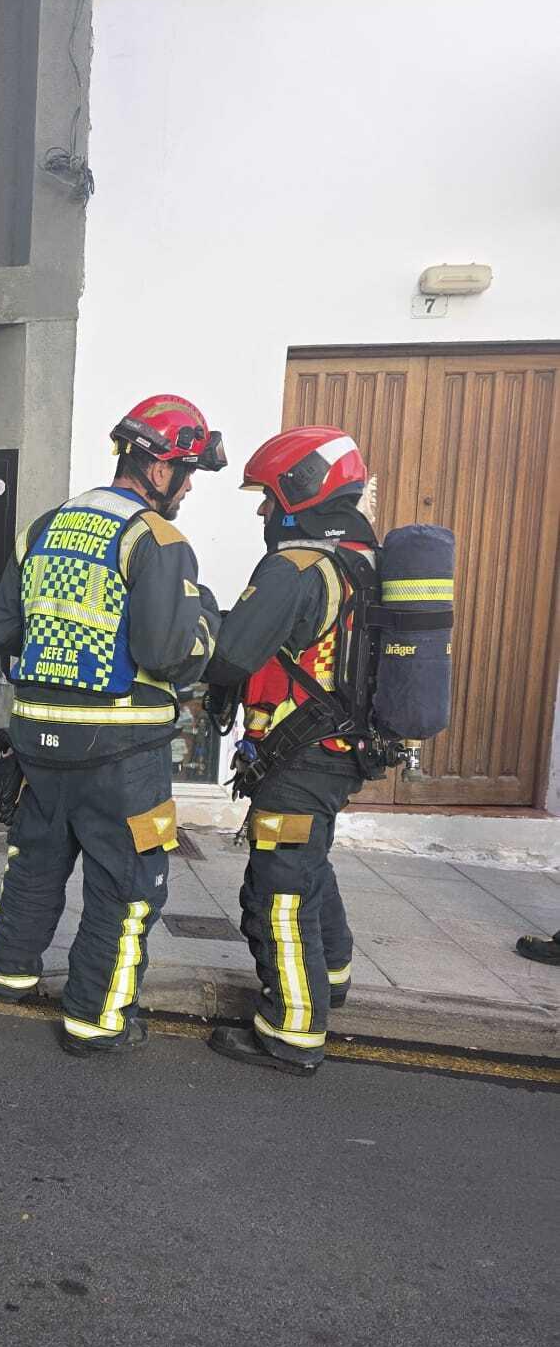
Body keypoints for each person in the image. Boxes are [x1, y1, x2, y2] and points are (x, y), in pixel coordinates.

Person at [0, 395, 223, 1056]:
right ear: (157, 468)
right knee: (125, 881)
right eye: (188, 471)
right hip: (123, 750)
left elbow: (0, 632)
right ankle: (96, 1017)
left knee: (35, 859)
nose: (190, 486)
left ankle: (9, 972)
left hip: (36, 741)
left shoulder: (44, 527)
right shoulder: (158, 540)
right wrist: (206, 624)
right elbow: (166, 652)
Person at [203, 427, 380, 1076]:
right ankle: (330, 976)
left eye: (267, 496)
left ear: (299, 493)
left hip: (295, 764)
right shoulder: (363, 559)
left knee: (278, 889)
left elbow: (230, 654)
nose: (261, 512)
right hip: (334, 758)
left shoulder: (296, 566)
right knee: (309, 863)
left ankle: (292, 1028)